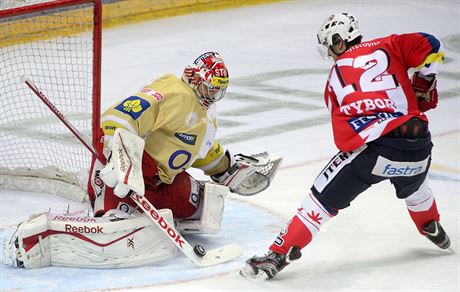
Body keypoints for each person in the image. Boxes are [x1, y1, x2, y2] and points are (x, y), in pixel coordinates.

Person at [4, 52, 281, 269]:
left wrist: (228, 171)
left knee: (202, 207)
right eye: (210, 88)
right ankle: (41, 232)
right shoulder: (174, 93)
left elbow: (202, 151)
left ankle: (145, 210)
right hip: (122, 175)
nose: (213, 95)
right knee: (115, 233)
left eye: (217, 90)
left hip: (160, 181)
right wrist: (118, 159)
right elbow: (118, 117)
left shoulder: (205, 112)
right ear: (195, 79)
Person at [239, 13, 451, 280]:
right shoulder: (391, 44)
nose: (329, 54)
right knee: (414, 181)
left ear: (337, 42)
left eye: (329, 47)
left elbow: (345, 130)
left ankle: (277, 255)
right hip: (420, 143)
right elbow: (433, 45)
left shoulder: (332, 80)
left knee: (318, 201)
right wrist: (424, 82)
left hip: (376, 149)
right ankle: (429, 223)